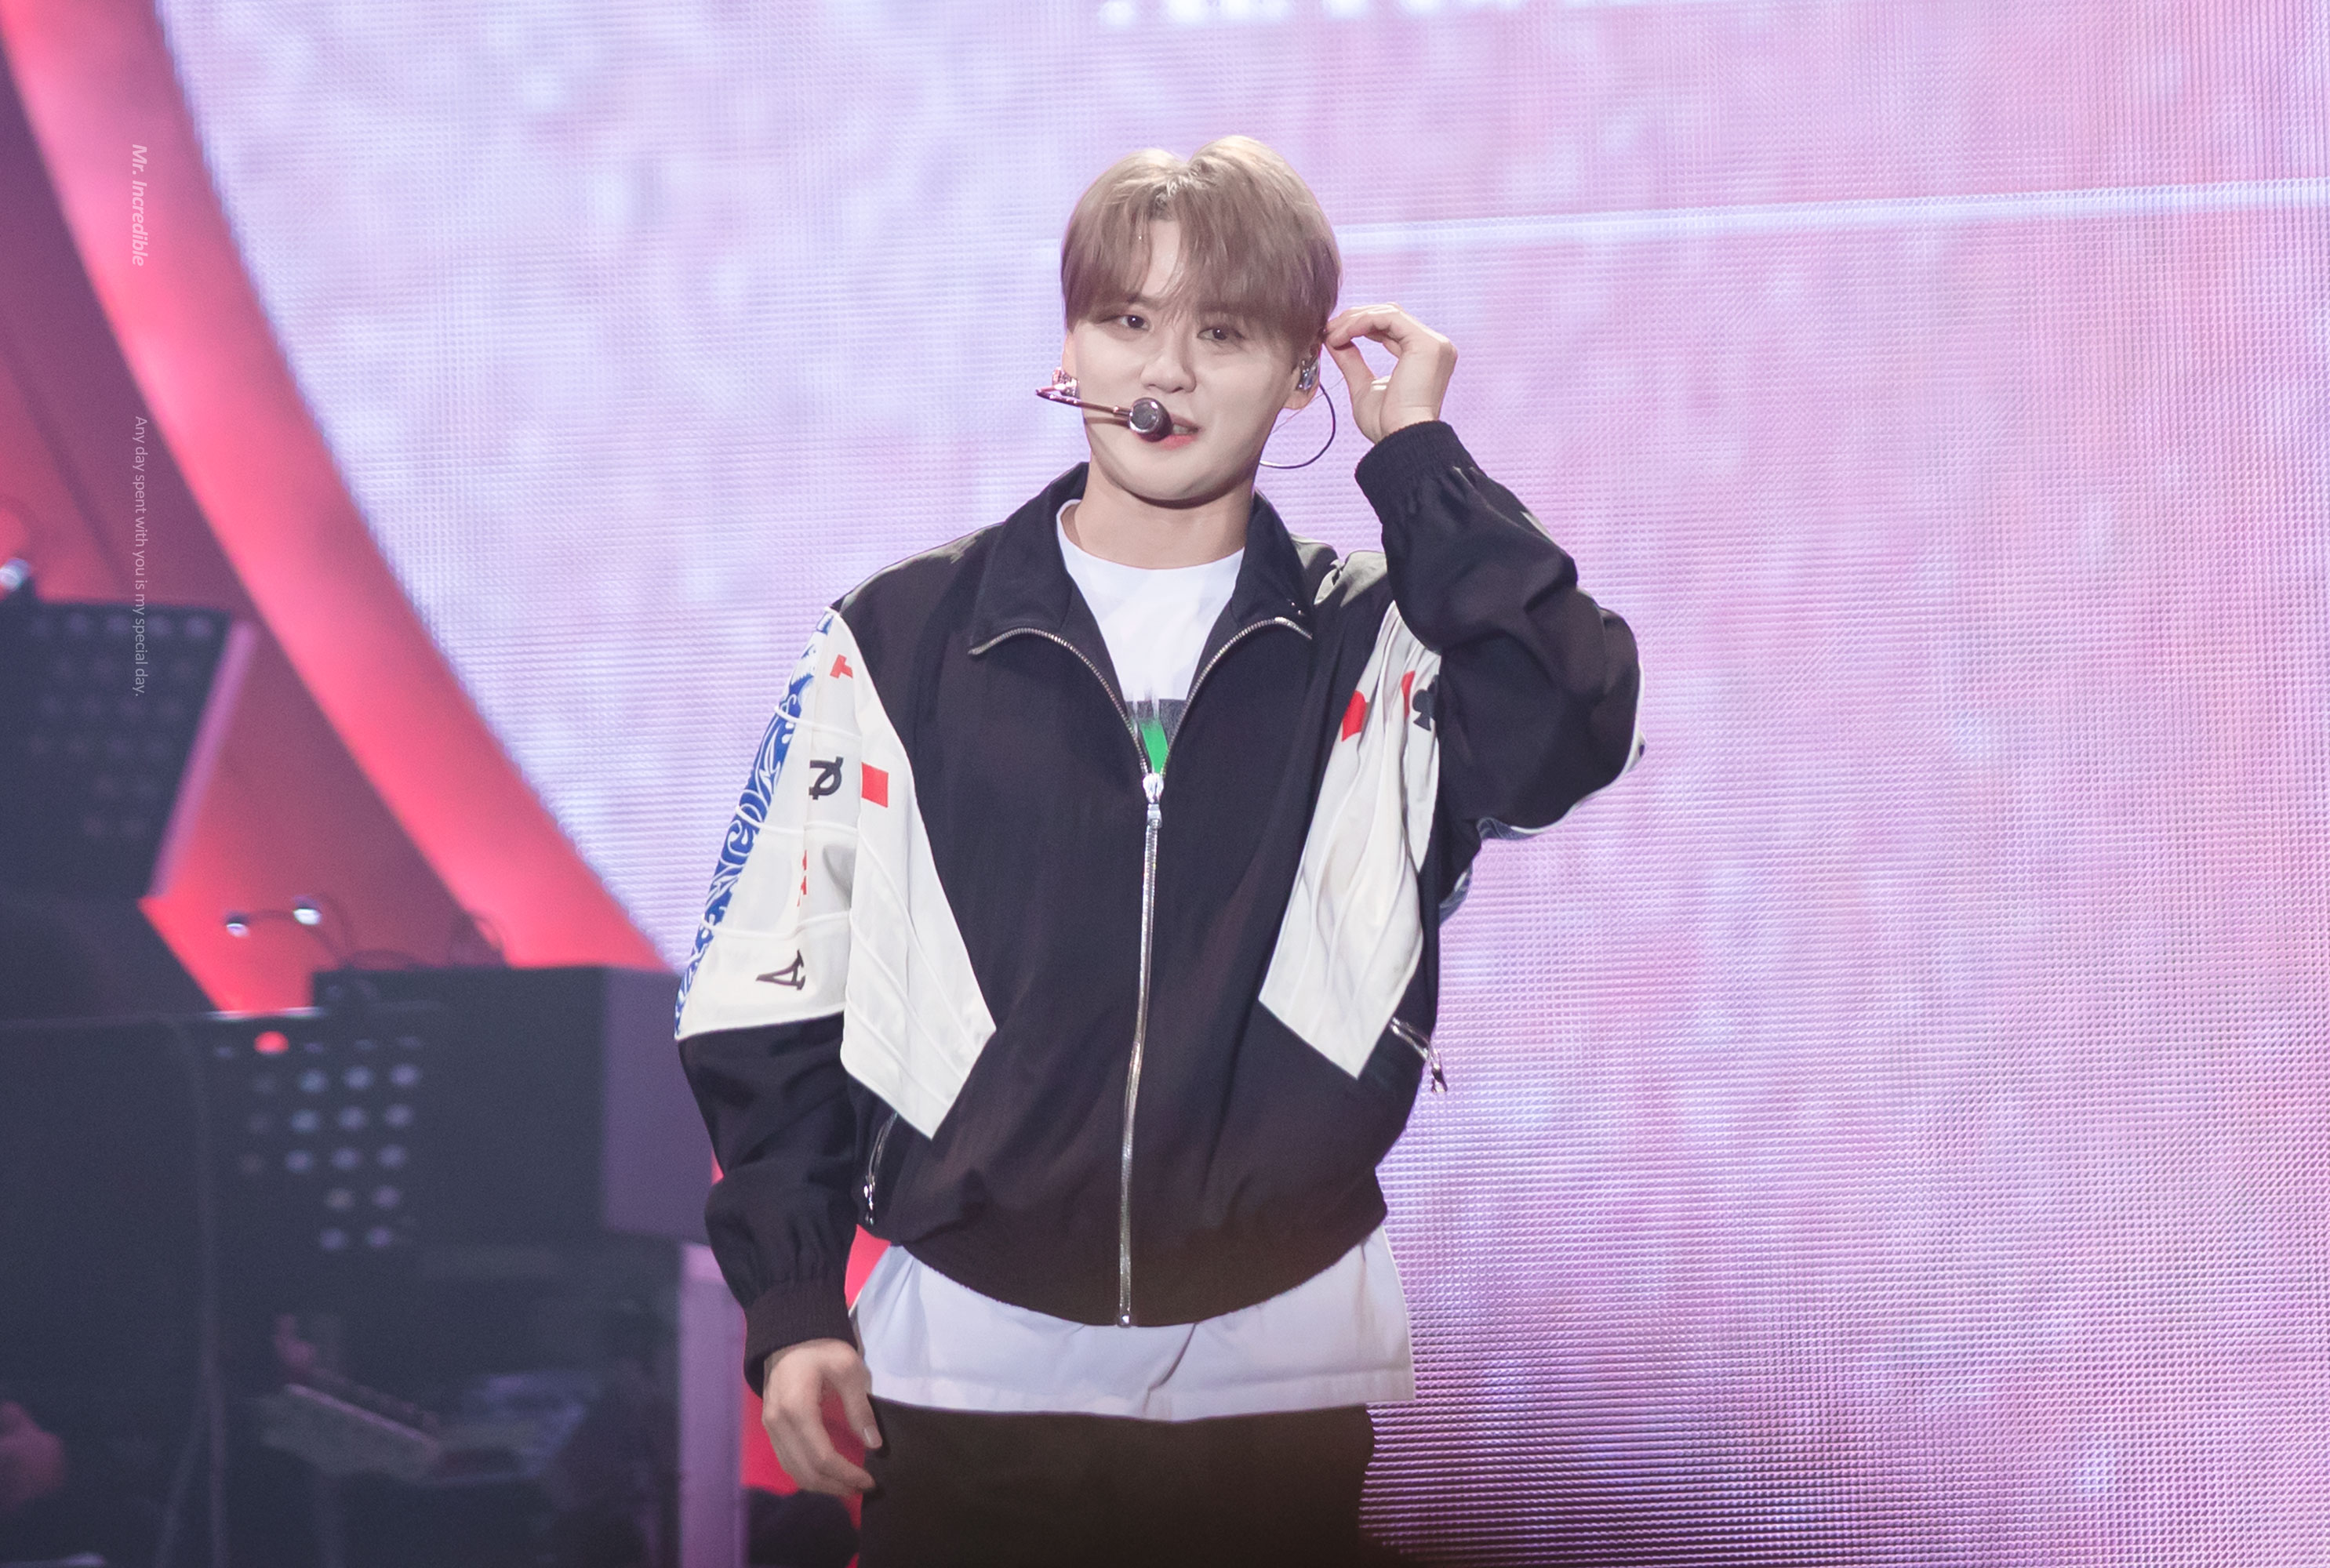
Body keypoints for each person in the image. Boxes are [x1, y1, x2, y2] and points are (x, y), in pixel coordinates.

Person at [675, 136, 1643, 1566]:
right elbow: (771, 986)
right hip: (964, 1369)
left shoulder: (1385, 644)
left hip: (1276, 1370)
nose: (1166, 373)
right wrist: (796, 1297)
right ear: (1070, 344)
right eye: (1127, 319)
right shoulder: (903, 637)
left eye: (1225, 334)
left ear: (1305, 374)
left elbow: (1571, 731)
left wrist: (1423, 467)